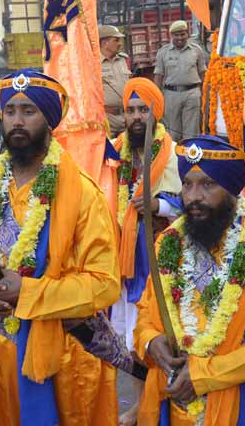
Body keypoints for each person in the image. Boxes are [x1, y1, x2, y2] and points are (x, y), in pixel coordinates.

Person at [0, 69, 120, 426]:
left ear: (49, 120)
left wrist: (28, 292)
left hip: (62, 359)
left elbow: (104, 283)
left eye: (29, 111)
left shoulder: (82, 194)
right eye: (10, 111)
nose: (16, 121)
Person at [134, 135, 245, 425]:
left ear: (231, 190)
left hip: (244, 411)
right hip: (173, 408)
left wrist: (206, 374)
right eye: (187, 184)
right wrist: (151, 342)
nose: (193, 196)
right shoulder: (168, 243)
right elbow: (147, 313)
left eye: (207, 184)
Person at [107, 78, 182, 425]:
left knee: (153, 331)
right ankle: (141, 404)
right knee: (129, 337)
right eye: (130, 110)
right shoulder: (115, 150)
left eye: (143, 109)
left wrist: (158, 204)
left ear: (156, 111)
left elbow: (189, 202)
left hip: (155, 253)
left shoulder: (172, 152)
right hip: (122, 256)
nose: (137, 117)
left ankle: (151, 406)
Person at [155, 20, 206, 141]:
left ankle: (190, 157)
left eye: (182, 34)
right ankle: (174, 158)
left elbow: (203, 73)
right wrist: (157, 97)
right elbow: (158, 76)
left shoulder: (196, 50)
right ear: (171, 35)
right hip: (171, 95)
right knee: (172, 132)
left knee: (191, 131)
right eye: (176, 35)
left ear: (187, 34)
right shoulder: (163, 52)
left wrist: (205, 95)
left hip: (192, 94)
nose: (180, 38)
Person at [100, 24, 132, 137]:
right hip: (106, 118)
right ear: (105, 43)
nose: (120, 44)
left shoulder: (123, 59)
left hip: (126, 116)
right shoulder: (93, 63)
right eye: (116, 40)